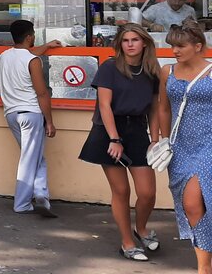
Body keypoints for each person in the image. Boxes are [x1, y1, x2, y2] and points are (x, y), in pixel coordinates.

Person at [78, 24, 161, 261]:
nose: (130, 44)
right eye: (126, 40)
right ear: (120, 44)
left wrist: (155, 139)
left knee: (147, 192)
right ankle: (127, 243)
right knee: (121, 190)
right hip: (109, 130)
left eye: (135, 39)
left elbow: (154, 108)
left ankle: (141, 229)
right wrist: (114, 139)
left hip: (137, 129)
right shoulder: (110, 67)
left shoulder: (152, 70)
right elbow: (104, 105)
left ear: (144, 43)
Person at [157, 19, 212, 274]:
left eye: (181, 46)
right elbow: (163, 108)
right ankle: (205, 261)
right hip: (180, 146)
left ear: (198, 46)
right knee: (193, 206)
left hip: (208, 144)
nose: (175, 51)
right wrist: (164, 140)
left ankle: (204, 268)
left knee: (193, 203)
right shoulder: (167, 71)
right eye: (172, 46)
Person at [0, 20, 62, 217]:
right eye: (33, 34)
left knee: (35, 157)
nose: (34, 37)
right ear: (29, 37)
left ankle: (41, 194)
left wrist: (47, 45)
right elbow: (42, 93)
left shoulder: (4, 56)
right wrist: (49, 121)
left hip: (11, 114)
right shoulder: (33, 61)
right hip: (31, 114)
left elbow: (26, 55)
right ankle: (22, 203)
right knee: (29, 159)